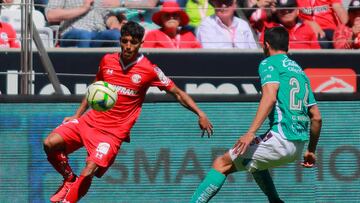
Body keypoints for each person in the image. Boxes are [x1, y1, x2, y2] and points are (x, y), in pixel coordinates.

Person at [43, 21, 213, 203]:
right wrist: (78, 114)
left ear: (141, 44)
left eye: (133, 42)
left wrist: (200, 113)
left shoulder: (150, 69)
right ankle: (69, 179)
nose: (128, 46)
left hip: (111, 134)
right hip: (89, 121)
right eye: (125, 41)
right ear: (120, 41)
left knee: (90, 168)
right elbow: (95, 88)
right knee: (50, 143)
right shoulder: (107, 60)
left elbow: (178, 93)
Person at [190, 26, 322, 203]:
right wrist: (311, 150)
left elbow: (270, 97)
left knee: (221, 163)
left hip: (281, 138)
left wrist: (251, 132)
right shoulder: (300, 73)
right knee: (254, 161)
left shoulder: (269, 63)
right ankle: (275, 201)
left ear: (266, 45)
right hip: (298, 145)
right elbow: (316, 117)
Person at [45, 0, 124, 47]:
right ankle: (85, 69)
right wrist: (83, 8)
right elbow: (51, 15)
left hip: (98, 34)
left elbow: (108, 15)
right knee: (84, 35)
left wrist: (114, 24)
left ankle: (116, 71)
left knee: (115, 34)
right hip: (73, 32)